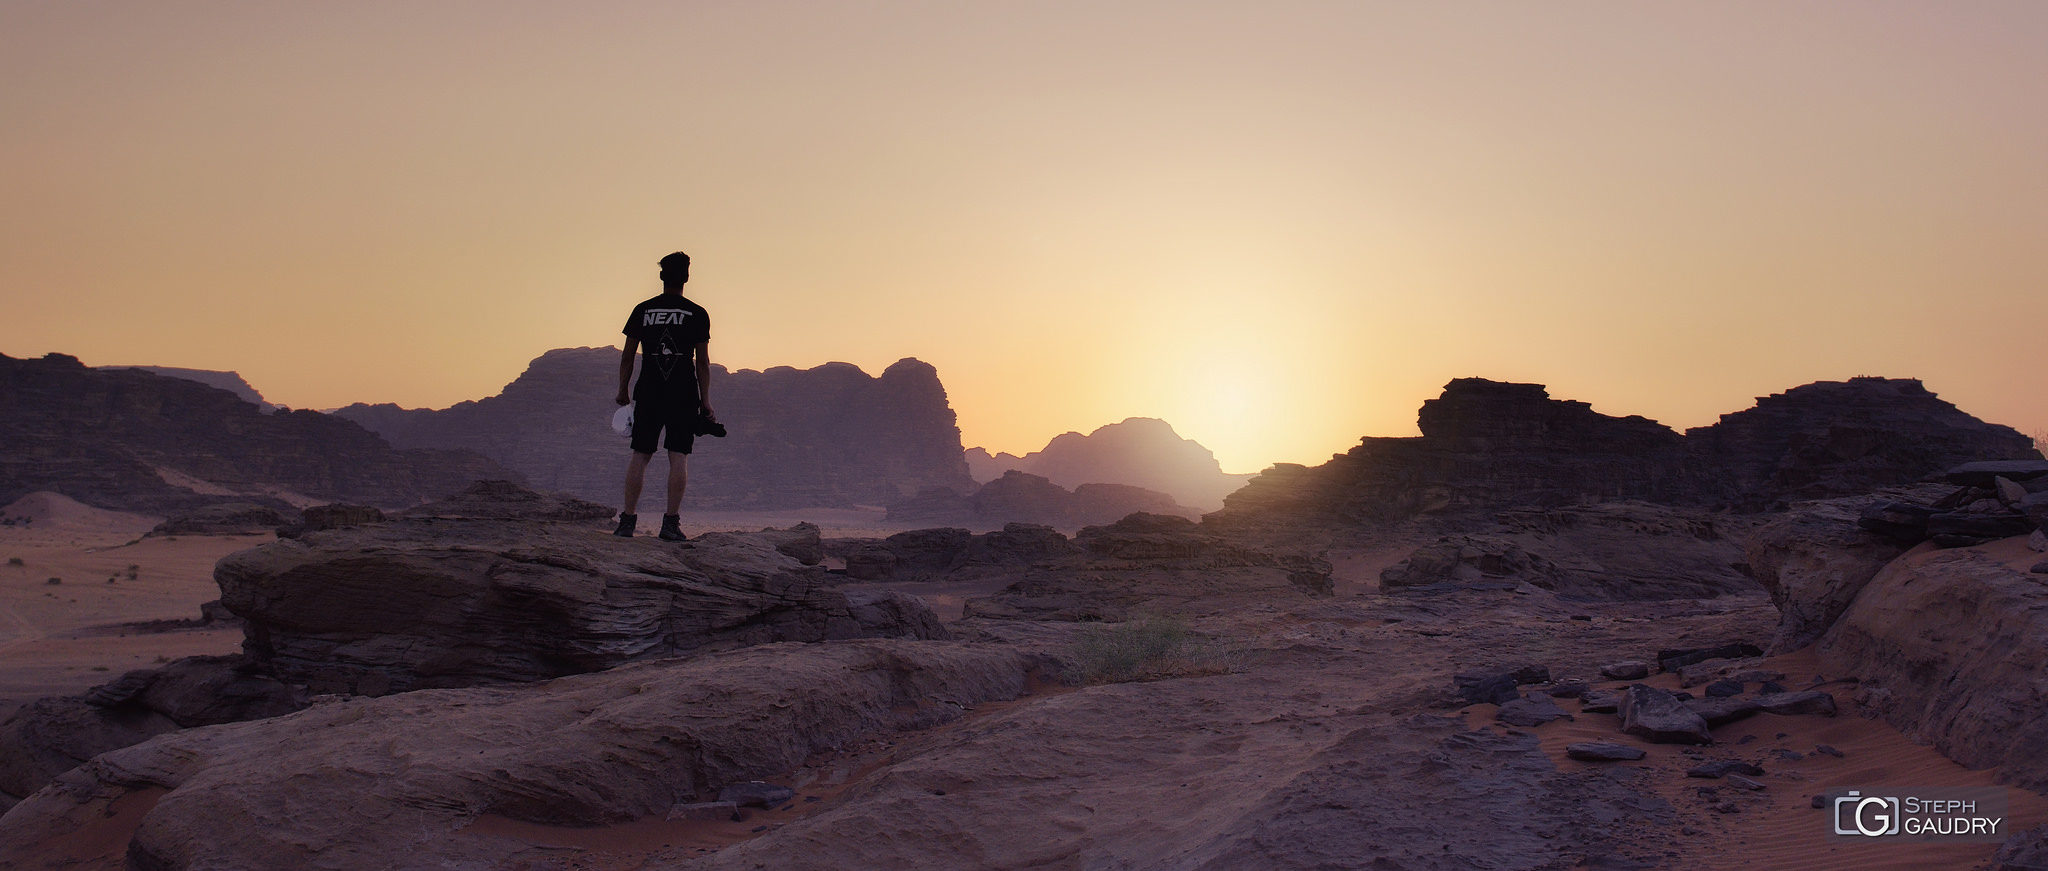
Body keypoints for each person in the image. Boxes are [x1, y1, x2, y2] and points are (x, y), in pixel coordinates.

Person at [615, 251, 714, 540]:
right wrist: (705, 400)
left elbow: (628, 356)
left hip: (649, 390)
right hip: (683, 392)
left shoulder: (642, 310)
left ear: (661, 276)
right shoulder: (697, 313)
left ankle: (627, 522)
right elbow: (703, 363)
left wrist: (623, 390)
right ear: (686, 277)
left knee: (641, 454)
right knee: (679, 456)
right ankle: (670, 524)